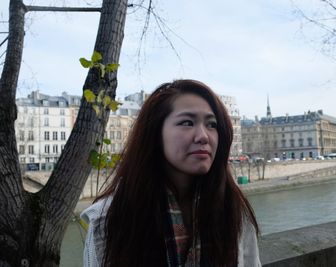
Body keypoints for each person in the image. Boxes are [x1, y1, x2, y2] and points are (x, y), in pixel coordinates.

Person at [81, 79, 261, 267]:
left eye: (212, 125)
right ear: (155, 133)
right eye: (187, 122)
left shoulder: (234, 210)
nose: (203, 136)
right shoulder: (108, 221)